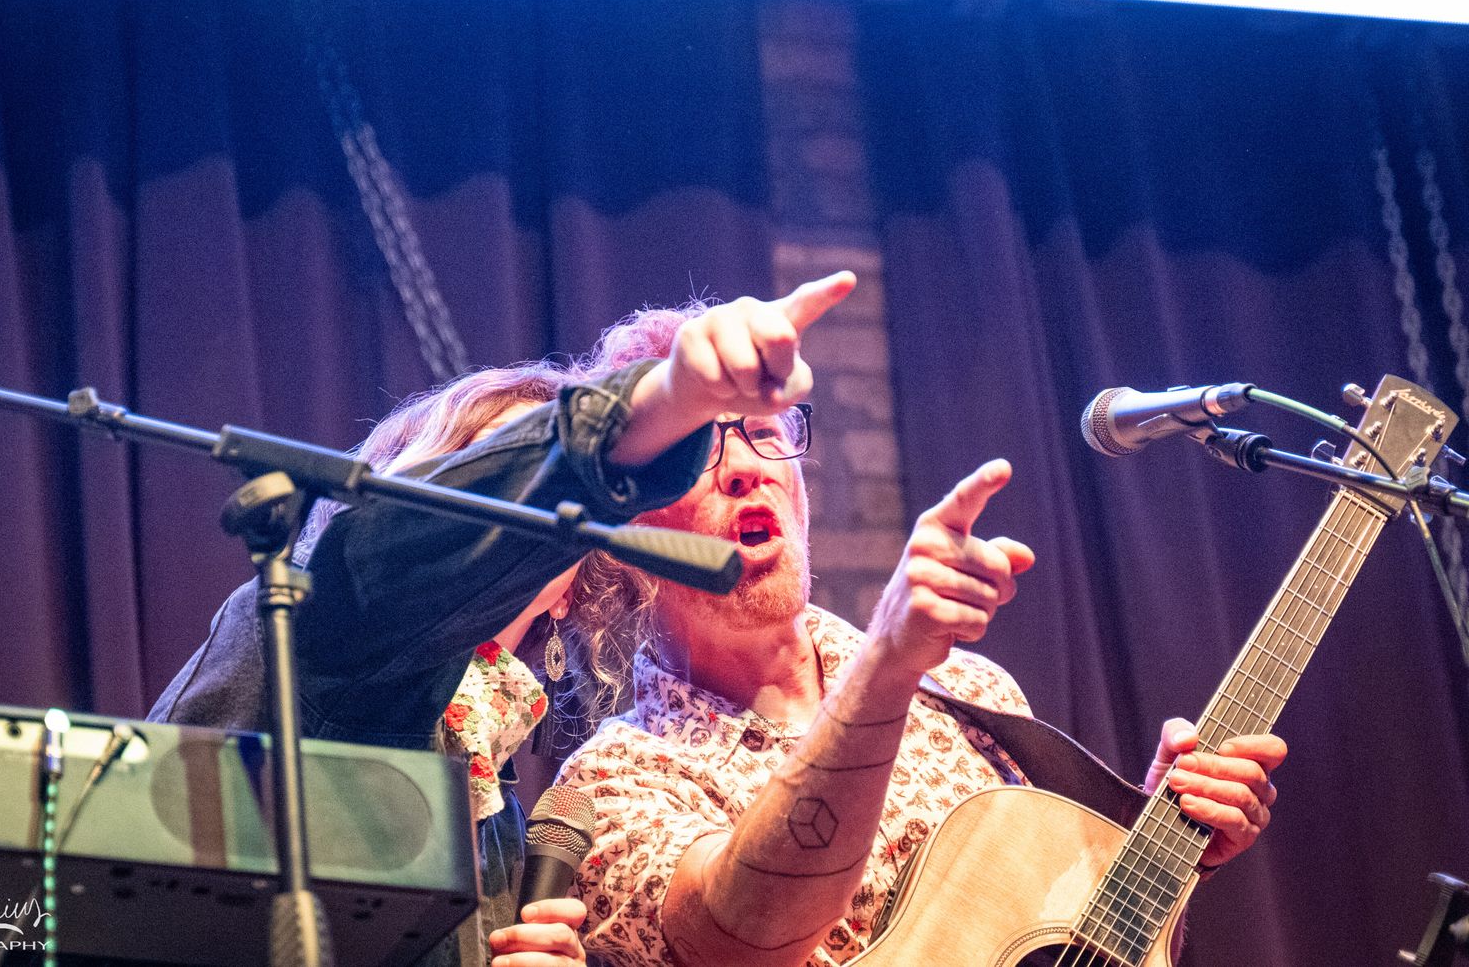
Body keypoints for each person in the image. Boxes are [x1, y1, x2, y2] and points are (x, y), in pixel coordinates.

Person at [147, 272, 858, 967]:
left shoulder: (503, 810)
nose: (525, 508)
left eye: (551, 495)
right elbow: (387, 567)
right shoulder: (321, 635)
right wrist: (668, 398)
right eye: (492, 474)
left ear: (567, 585)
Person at [553, 296, 1288, 967]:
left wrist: (1159, 854)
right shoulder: (610, 786)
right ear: (620, 527)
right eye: (693, 451)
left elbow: (1081, 944)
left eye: (762, 431)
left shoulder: (969, 692)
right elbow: (737, 939)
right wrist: (887, 666)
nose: (746, 467)